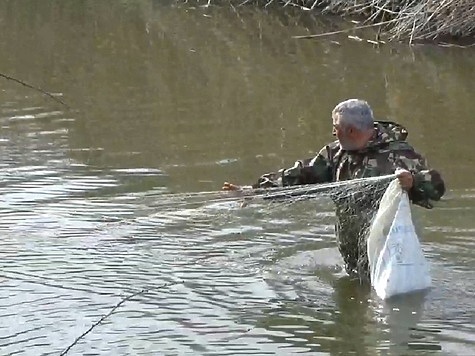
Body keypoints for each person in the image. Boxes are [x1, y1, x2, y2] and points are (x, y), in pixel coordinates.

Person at [222, 99, 445, 281]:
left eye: (336, 128)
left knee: (379, 309)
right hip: (350, 250)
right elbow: (301, 175)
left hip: (387, 251)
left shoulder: (399, 155)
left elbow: (436, 187)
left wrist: (412, 182)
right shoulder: (336, 153)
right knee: (355, 297)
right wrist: (256, 191)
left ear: (350, 130)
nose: (333, 132)